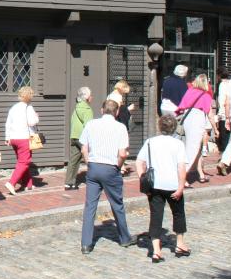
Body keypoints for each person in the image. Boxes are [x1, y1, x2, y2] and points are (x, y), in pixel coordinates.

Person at [79, 99, 136, 254]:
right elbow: (123, 153)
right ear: (117, 112)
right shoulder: (120, 127)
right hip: (111, 167)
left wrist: (88, 161)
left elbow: (84, 147)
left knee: (90, 205)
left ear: (102, 110)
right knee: (117, 203)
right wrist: (118, 165)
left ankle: (86, 243)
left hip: (94, 166)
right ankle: (124, 237)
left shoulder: (91, 124)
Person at [135, 115, 190, 263]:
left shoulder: (150, 142)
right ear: (173, 128)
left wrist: (143, 178)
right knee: (178, 213)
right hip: (172, 185)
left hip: (155, 186)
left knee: (156, 216)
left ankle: (156, 251)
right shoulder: (178, 144)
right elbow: (181, 168)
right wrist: (180, 187)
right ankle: (179, 244)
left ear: (160, 127)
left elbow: (139, 162)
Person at [176, 74, 216, 185]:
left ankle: (199, 174)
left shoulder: (190, 91)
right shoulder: (206, 96)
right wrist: (215, 129)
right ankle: (181, 178)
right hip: (197, 121)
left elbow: (182, 106)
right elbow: (210, 115)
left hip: (188, 119)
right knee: (192, 149)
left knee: (192, 148)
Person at [4, 86, 39, 196]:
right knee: (25, 161)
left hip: (14, 138)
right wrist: (37, 117)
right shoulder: (28, 108)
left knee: (22, 160)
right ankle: (11, 183)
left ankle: (28, 184)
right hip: (24, 137)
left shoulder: (13, 108)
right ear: (29, 96)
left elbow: (8, 123)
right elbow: (32, 122)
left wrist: (7, 137)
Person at [65, 86, 93, 190]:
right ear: (86, 97)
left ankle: (69, 183)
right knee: (91, 158)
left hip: (74, 136)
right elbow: (88, 126)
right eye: (90, 95)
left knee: (73, 160)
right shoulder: (87, 109)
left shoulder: (76, 107)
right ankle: (94, 180)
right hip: (83, 138)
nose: (92, 97)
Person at [216, 69, 231, 154]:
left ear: (219, 75)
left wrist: (220, 112)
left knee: (224, 133)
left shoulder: (222, 84)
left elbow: (222, 100)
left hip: (224, 112)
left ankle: (225, 151)